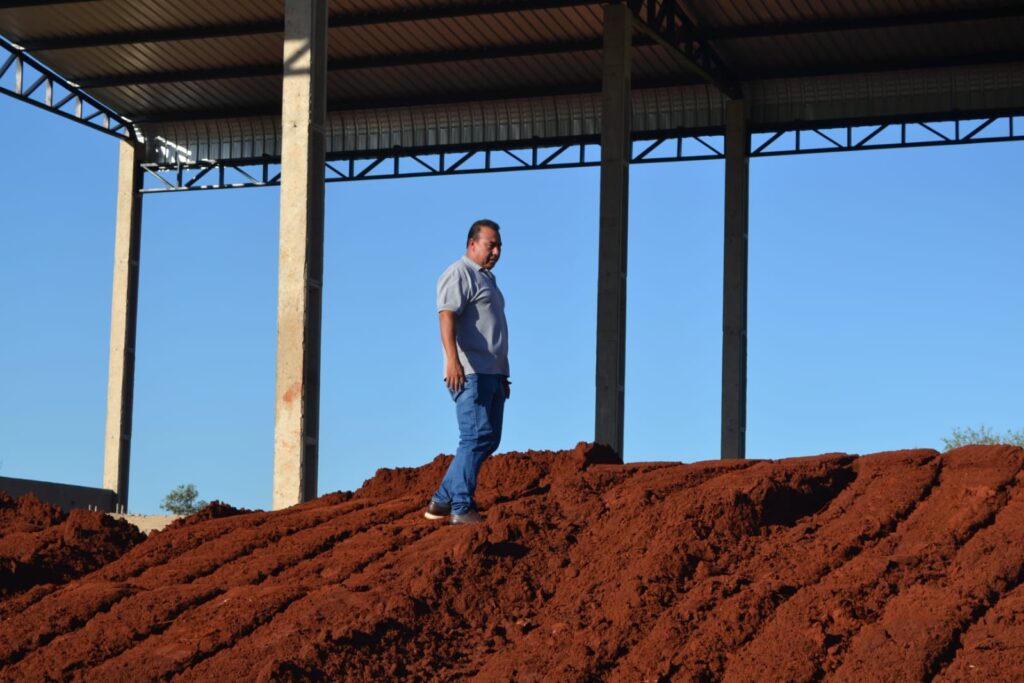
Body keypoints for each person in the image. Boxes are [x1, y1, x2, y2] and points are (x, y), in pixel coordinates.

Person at [425, 219, 511, 524]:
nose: (497, 251)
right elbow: (446, 315)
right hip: (469, 371)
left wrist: (502, 373)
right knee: (474, 436)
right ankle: (460, 508)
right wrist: (452, 360)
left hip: (492, 373)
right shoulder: (459, 273)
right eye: (491, 245)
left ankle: (440, 501)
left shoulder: (487, 279)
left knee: (489, 439)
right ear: (472, 244)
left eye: (499, 245)